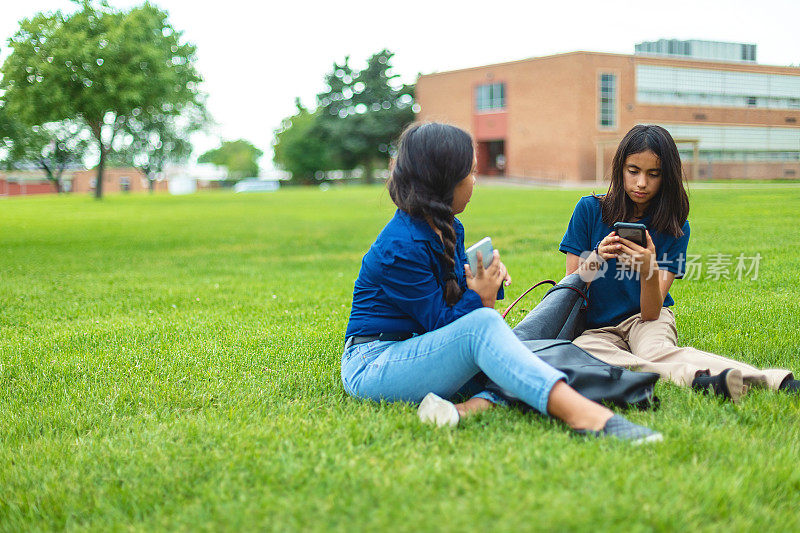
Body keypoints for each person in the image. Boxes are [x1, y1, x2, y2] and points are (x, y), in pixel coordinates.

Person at [341, 122, 662, 443]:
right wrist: (480, 296)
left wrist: (485, 283)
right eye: (470, 173)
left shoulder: (449, 226)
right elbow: (441, 325)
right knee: (489, 330)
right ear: (444, 182)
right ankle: (586, 416)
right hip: (377, 363)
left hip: (425, 352)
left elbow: (455, 310)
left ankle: (478, 405)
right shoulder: (401, 247)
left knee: (523, 345)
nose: (474, 181)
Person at [560, 124, 798, 402]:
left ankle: (775, 381)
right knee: (585, 351)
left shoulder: (675, 227)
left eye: (653, 174)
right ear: (620, 169)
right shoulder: (588, 210)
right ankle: (704, 381)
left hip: (647, 320)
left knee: (655, 352)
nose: (641, 183)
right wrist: (598, 256)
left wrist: (649, 270)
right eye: (633, 171)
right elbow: (572, 287)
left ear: (667, 177)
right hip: (596, 329)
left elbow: (650, 313)